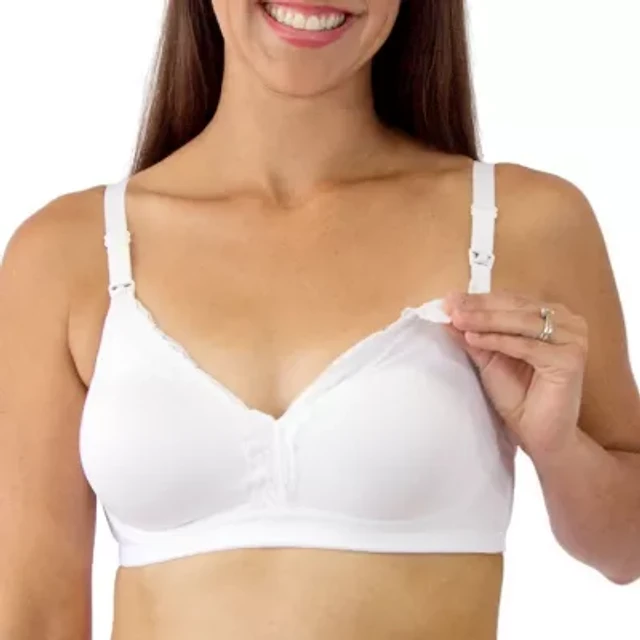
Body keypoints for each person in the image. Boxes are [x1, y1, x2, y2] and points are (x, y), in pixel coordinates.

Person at [1, 1, 639, 639]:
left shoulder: (523, 225)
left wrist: (560, 449)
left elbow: (628, 550)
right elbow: (34, 615)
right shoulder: (66, 255)